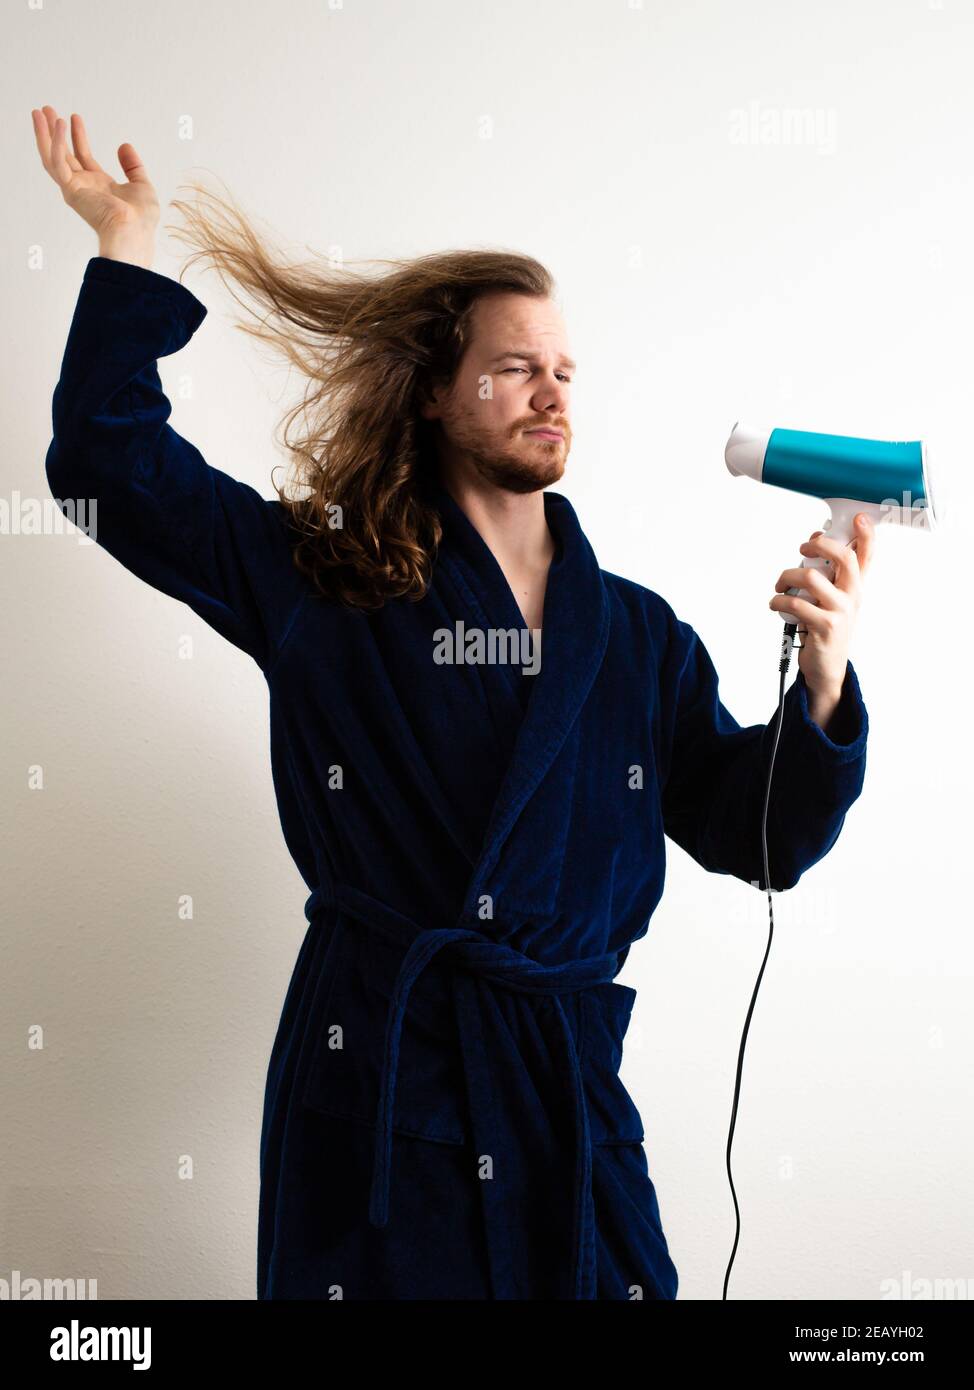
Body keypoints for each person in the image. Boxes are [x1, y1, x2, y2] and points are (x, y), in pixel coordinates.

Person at [33, 105, 873, 1301]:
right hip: (384, 1093)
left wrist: (824, 675)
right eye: (516, 366)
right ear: (433, 392)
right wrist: (125, 246)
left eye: (564, 371)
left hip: (567, 1114)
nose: (551, 391)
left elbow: (762, 835)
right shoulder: (322, 581)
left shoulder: (632, 636)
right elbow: (110, 466)